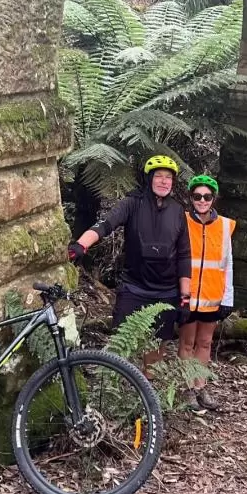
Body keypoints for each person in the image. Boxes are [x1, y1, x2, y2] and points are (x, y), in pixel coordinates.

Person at [68, 155, 191, 364]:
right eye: (158, 176)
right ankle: (114, 389)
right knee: (119, 346)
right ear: (149, 178)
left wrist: (185, 297)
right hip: (134, 287)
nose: (163, 181)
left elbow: (184, 254)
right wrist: (81, 245)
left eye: (168, 177)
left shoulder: (178, 211)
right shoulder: (132, 203)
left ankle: (146, 388)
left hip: (166, 290)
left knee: (155, 348)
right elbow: (105, 225)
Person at [178, 174, 235, 411]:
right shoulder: (181, 221)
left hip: (213, 295)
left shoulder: (224, 225)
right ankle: (186, 388)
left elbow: (228, 263)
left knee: (205, 342)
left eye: (207, 196)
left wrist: (228, 296)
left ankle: (201, 386)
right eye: (197, 196)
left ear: (214, 198)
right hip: (188, 295)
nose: (202, 200)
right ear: (191, 198)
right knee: (187, 342)